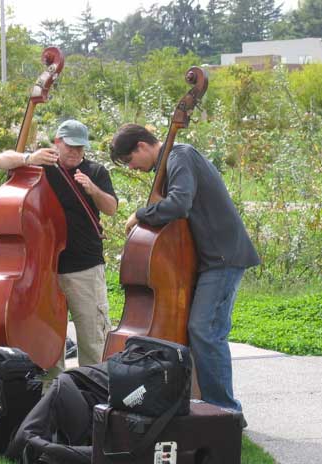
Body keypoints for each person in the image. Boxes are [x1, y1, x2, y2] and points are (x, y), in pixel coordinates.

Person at [109, 123, 260, 417]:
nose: (133, 168)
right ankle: (205, 403)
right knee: (203, 331)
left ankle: (225, 412)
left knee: (205, 331)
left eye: (130, 161)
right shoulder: (173, 161)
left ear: (141, 146)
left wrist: (139, 214)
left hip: (223, 257)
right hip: (211, 258)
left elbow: (179, 204)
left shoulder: (180, 156)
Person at [0, 119, 118, 374]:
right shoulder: (42, 167)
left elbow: (111, 208)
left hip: (85, 267)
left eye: (80, 148)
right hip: (44, 272)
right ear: (57, 143)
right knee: (48, 338)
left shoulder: (95, 171)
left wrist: (93, 189)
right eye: (70, 146)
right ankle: (53, 394)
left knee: (92, 338)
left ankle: (92, 391)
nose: (75, 152)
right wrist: (29, 157)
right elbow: (0, 160)